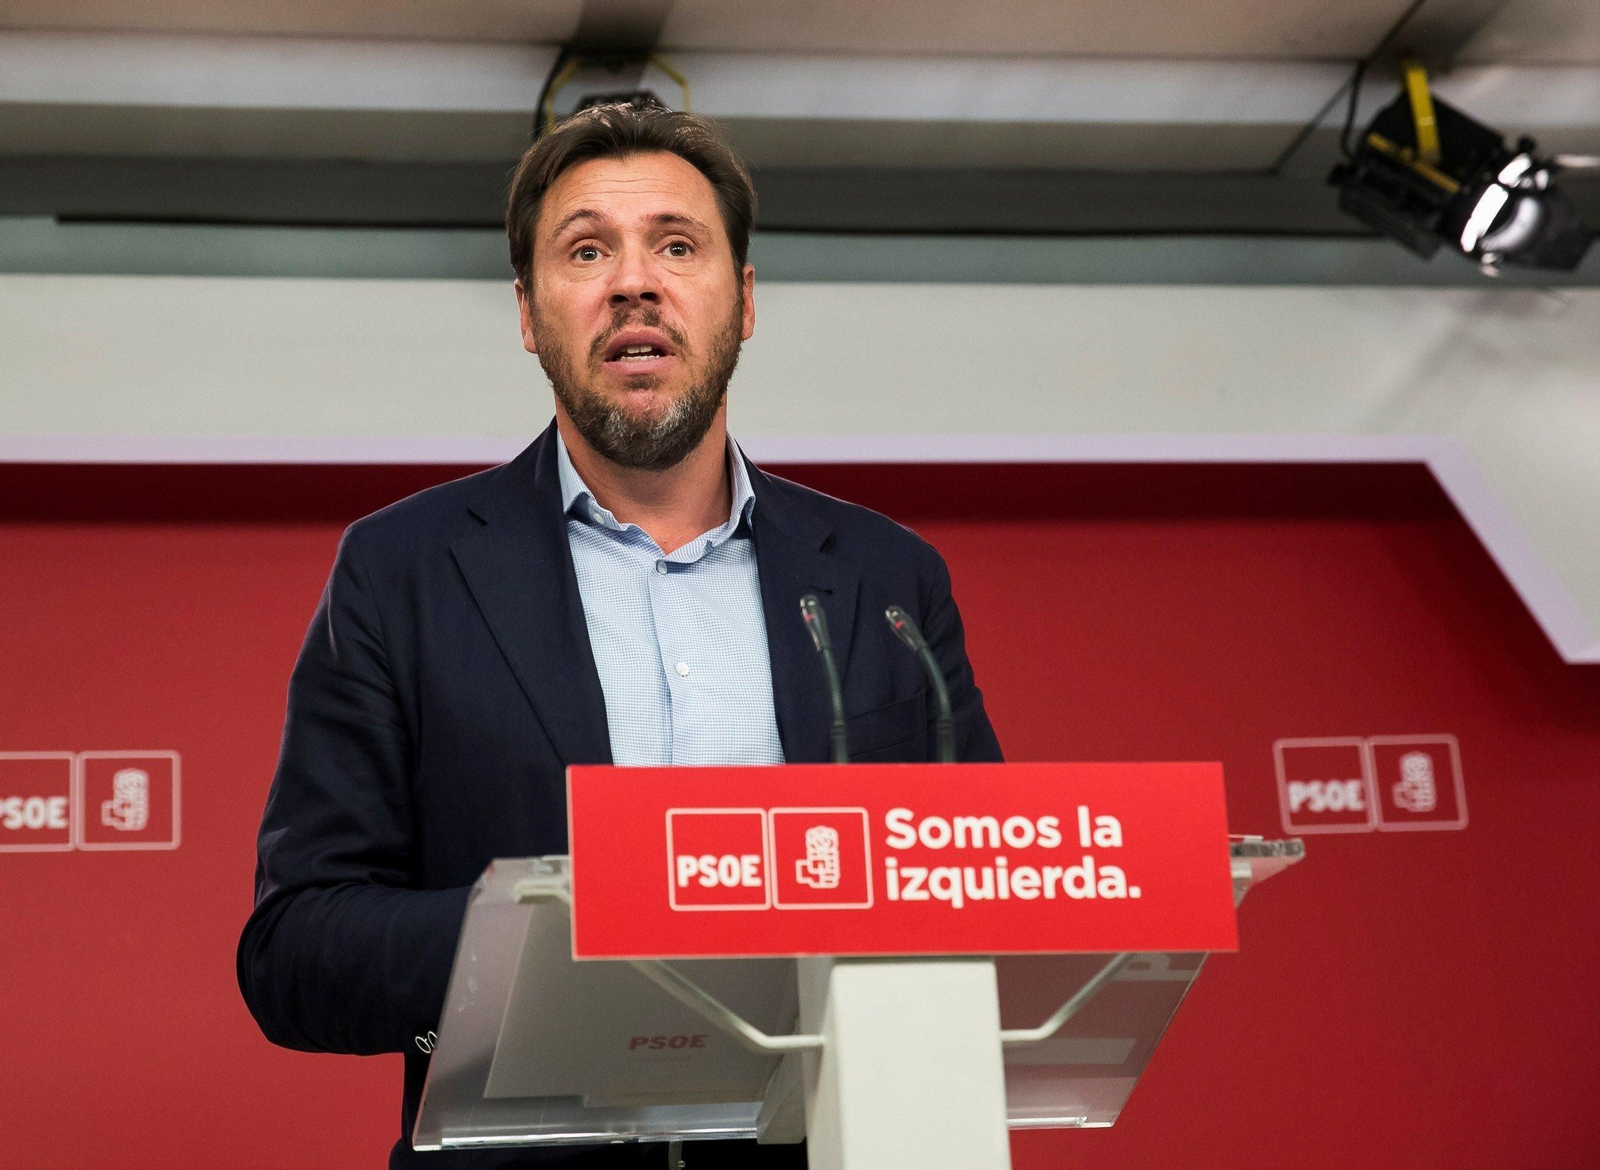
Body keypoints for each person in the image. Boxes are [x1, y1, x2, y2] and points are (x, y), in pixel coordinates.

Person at [237, 101, 1003, 1169]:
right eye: (587, 249)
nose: (633, 281)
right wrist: (553, 934)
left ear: (741, 303)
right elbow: (297, 951)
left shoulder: (885, 579)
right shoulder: (401, 571)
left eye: (676, 246)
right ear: (527, 312)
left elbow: (990, 893)